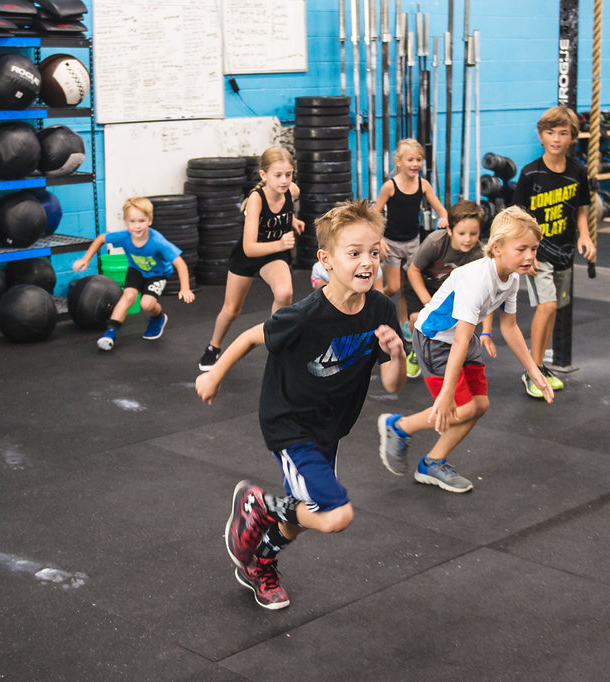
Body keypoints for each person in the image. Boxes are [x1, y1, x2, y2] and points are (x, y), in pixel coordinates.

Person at [196, 200, 406, 610]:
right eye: (354, 253)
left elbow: (392, 384)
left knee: (304, 514)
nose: (367, 262)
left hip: (330, 427)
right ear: (326, 261)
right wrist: (214, 374)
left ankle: (259, 562)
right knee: (335, 515)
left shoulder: (381, 308)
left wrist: (396, 353)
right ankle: (259, 504)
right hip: (290, 424)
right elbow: (251, 337)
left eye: (373, 252)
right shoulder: (307, 314)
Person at [376, 206, 553, 494]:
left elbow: (509, 327)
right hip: (435, 339)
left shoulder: (512, 277)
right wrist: (446, 394)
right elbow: (458, 339)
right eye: (521, 249)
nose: (530, 256)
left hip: (461, 338)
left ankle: (432, 463)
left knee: (480, 406)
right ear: (497, 248)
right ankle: (399, 426)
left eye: (533, 249)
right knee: (463, 407)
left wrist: (533, 370)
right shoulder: (477, 280)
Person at [512, 105, 596, 398]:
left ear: (572, 137)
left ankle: (540, 367)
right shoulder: (530, 173)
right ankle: (532, 370)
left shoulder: (578, 171)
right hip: (539, 253)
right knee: (546, 306)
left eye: (563, 133)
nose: (556, 139)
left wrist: (585, 236)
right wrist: (527, 253)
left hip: (565, 251)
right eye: (550, 133)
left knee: (553, 309)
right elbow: (518, 217)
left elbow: (581, 208)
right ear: (541, 136)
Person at [197, 147, 305, 371]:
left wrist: (292, 220)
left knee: (284, 293)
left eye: (288, 174)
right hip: (250, 255)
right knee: (232, 310)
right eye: (278, 175)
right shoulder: (256, 200)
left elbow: (285, 208)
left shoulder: (292, 190)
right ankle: (213, 347)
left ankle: (277, 342)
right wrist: (280, 244)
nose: (284, 180)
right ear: (263, 175)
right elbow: (249, 248)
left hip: (274, 255)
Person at [73, 197, 194, 350]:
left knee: (146, 304)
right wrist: (85, 259)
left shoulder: (158, 241)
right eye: (132, 221)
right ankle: (110, 333)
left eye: (141, 221)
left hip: (157, 273)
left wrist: (185, 288)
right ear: (125, 221)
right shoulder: (124, 236)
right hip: (136, 269)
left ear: (150, 221)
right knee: (128, 297)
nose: (137, 226)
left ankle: (158, 317)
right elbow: (101, 239)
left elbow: (180, 263)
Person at [401, 199, 489, 378]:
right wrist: (427, 301)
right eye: (462, 233)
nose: (467, 239)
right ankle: (417, 350)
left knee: (456, 327)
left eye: (473, 234)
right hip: (422, 283)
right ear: (449, 230)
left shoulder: (479, 255)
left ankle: (447, 353)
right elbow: (413, 271)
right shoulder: (436, 242)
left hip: (449, 292)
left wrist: (486, 330)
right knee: (417, 318)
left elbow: (484, 294)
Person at [373, 138, 448, 337]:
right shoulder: (390, 186)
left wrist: (444, 217)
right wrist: (379, 239)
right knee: (394, 287)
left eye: (418, 160)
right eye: (410, 160)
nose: (415, 164)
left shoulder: (423, 185)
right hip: (392, 243)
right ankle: (372, 302)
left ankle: (404, 323)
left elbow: (440, 209)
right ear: (398, 161)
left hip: (413, 242)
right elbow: (374, 215)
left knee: (409, 288)